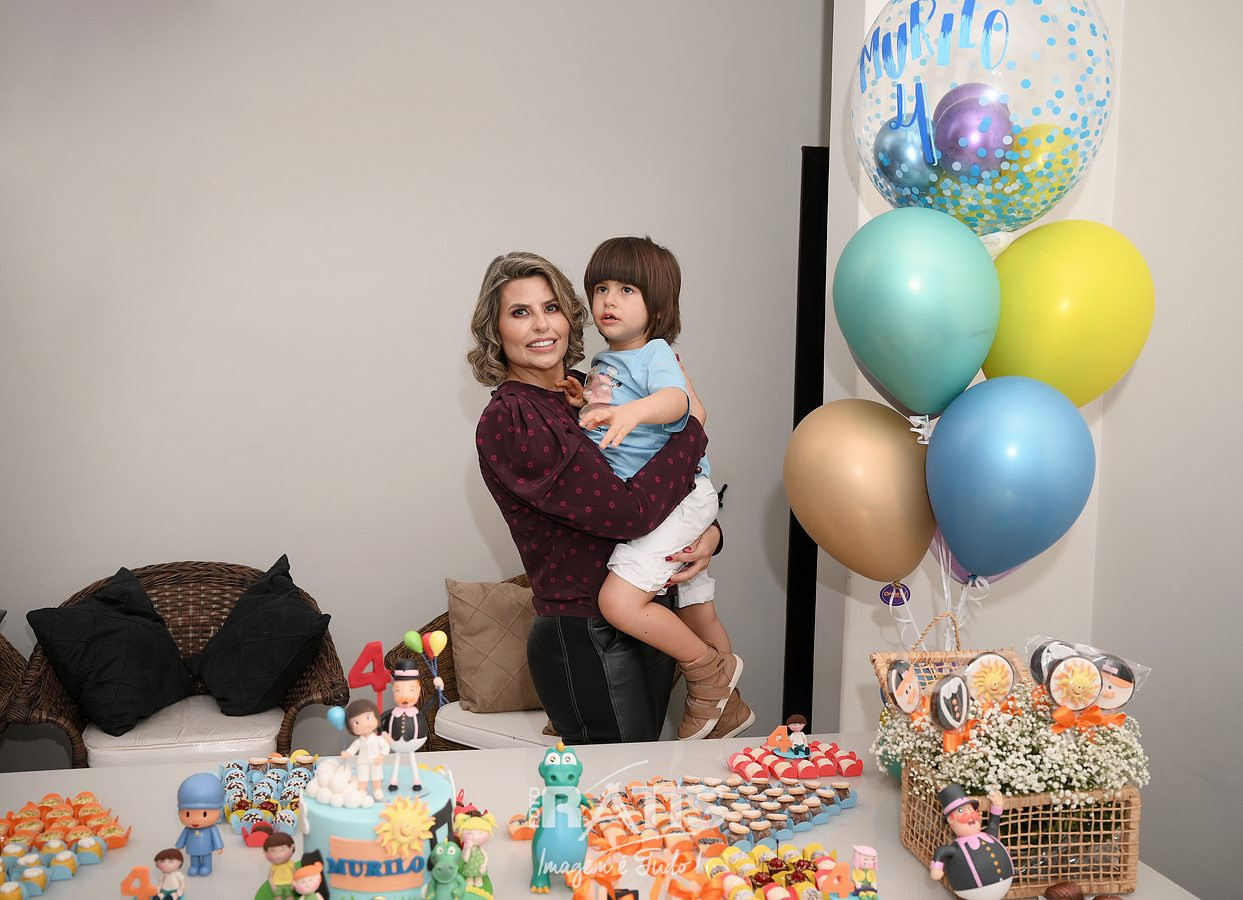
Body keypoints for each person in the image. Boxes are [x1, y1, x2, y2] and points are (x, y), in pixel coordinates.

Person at [469, 250, 736, 744]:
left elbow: (652, 477)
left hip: (648, 617)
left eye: (551, 307)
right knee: (617, 785)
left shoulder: (586, 392)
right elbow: (628, 512)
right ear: (495, 330)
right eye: (520, 312)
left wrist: (710, 535)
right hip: (588, 635)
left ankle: (719, 685)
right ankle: (712, 674)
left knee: (648, 780)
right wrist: (694, 427)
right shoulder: (513, 417)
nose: (541, 324)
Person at [551, 236, 750, 740]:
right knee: (697, 607)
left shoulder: (654, 354)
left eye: (626, 290)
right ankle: (729, 707)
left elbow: (678, 403)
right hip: (662, 500)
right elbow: (606, 413)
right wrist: (582, 401)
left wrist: (635, 412)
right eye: (601, 289)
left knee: (619, 603)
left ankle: (711, 680)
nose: (609, 301)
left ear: (657, 307)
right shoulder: (606, 362)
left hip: (677, 498)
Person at [381, 660, 441, 792]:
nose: (405, 695)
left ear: (418, 690)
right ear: (393, 690)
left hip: (413, 744)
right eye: (399, 690)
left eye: (411, 690)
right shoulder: (392, 713)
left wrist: (438, 688)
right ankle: (393, 781)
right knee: (396, 760)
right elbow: (378, 721)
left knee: (413, 761)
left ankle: (416, 781)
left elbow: (432, 701)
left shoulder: (418, 712)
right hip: (396, 743)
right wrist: (383, 733)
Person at [174, 772, 225, 876]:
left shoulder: (211, 829)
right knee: (194, 857)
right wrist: (179, 846)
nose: (195, 820)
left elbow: (216, 837)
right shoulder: (188, 829)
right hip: (193, 848)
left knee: (206, 857)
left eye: (204, 814)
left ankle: (207, 866)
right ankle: (194, 866)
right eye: (187, 814)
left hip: (206, 848)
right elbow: (183, 837)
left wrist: (219, 846)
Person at [341, 698, 390, 800]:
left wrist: (381, 756)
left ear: (376, 718)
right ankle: (362, 790)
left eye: (368, 718)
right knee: (362, 777)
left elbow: (386, 747)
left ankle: (377, 790)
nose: (363, 725)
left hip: (376, 761)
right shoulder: (359, 741)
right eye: (356, 722)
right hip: (362, 762)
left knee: (376, 776)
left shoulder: (377, 739)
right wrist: (347, 753)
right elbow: (353, 749)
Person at [262, 831, 297, 898]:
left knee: (290, 896)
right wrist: (272, 885)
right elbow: (270, 877)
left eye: (282, 850)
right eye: (273, 851)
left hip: (289, 884)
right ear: (265, 852)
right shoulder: (274, 866)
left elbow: (295, 874)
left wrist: (294, 883)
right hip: (277, 885)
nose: (278, 855)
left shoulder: (290, 864)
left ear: (292, 848)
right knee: (277, 897)